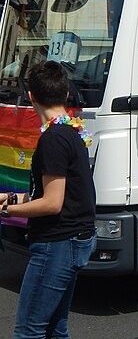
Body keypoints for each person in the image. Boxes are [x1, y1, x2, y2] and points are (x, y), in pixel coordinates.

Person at [0, 61, 96, 338]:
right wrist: (10, 197)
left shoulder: (53, 138)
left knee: (29, 331)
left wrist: (6, 210)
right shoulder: (72, 131)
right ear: (66, 94)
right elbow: (53, 193)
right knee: (55, 328)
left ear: (31, 97)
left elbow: (52, 203)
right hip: (73, 239)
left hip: (58, 244)